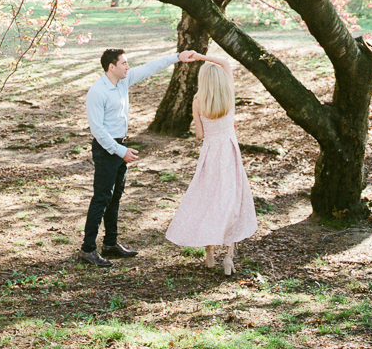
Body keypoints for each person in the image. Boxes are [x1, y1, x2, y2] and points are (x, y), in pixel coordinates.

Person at [80, 46, 198, 267]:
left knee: (115, 197)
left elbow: (150, 68)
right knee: (101, 198)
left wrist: (177, 57)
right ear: (111, 67)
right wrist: (121, 151)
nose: (128, 66)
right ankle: (88, 249)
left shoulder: (123, 80)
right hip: (107, 149)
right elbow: (98, 131)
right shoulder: (97, 92)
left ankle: (110, 243)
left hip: (121, 146)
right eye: (124, 63)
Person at [165, 52, 257, 275]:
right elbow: (225, 62)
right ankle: (228, 257)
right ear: (222, 80)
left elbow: (199, 134)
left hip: (210, 154)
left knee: (208, 199)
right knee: (232, 201)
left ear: (203, 80)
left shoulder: (198, 101)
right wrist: (200, 56)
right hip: (230, 152)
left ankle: (208, 253)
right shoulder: (229, 95)